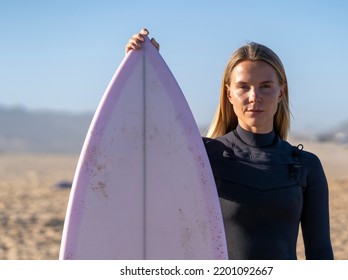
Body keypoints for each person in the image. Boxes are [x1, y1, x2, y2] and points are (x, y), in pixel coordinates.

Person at [126, 28, 334, 260]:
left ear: (281, 93)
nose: (254, 96)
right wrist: (143, 70)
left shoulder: (306, 166)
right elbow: (145, 148)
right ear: (229, 94)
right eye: (243, 86)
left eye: (265, 86)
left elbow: (320, 253)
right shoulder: (204, 156)